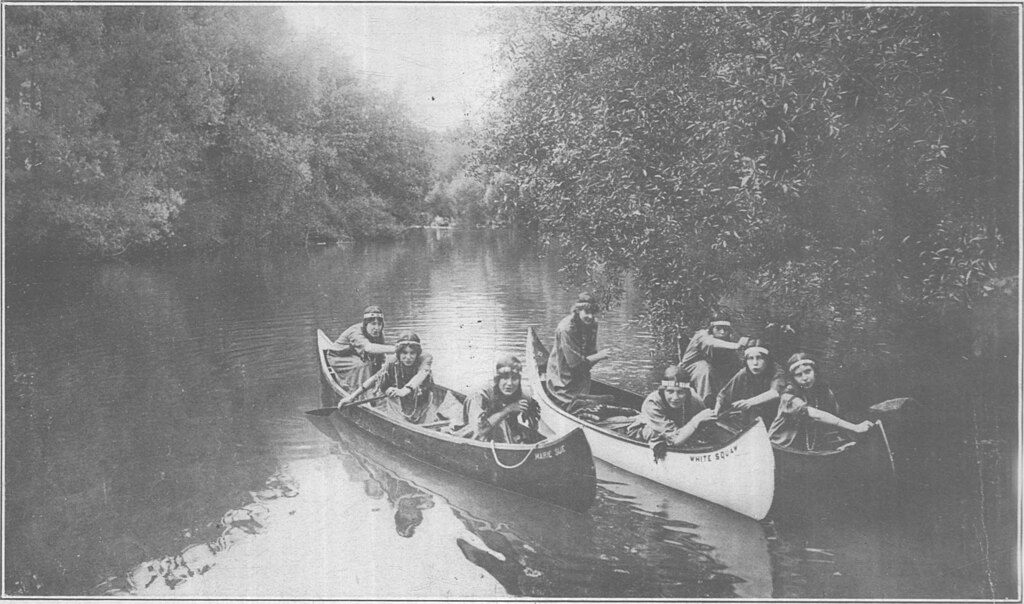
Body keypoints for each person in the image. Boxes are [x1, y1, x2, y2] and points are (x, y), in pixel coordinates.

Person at [768, 352, 874, 450]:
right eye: (799, 375)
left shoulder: (824, 392)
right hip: (782, 446)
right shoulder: (788, 397)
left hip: (811, 444)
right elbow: (815, 415)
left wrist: (846, 441)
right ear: (793, 378)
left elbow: (836, 416)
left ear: (815, 372)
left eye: (808, 371)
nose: (804, 378)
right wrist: (855, 427)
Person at [340, 332, 435, 424]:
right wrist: (352, 397)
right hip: (401, 393)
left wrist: (404, 391)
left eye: (412, 353)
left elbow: (422, 373)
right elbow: (375, 378)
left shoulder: (426, 358)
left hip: (422, 395)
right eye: (404, 353)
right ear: (398, 353)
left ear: (417, 353)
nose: (408, 357)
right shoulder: (392, 361)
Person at [546, 292, 613, 409]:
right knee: (571, 402)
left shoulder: (592, 323)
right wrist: (600, 356)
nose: (590, 317)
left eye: (593, 313)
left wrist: (596, 356)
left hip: (581, 374)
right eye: (587, 312)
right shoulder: (566, 329)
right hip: (562, 378)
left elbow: (590, 354)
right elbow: (575, 365)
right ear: (577, 311)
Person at [624, 365, 717, 446]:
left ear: (687, 392)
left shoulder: (694, 399)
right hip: (651, 430)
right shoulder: (652, 403)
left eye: (680, 392)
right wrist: (695, 421)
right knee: (653, 435)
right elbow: (675, 441)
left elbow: (707, 423)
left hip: (678, 429)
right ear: (663, 390)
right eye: (670, 391)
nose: (675, 397)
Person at [461, 355, 542, 443]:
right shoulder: (479, 395)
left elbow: (534, 423)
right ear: (497, 379)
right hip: (478, 435)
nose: (510, 383)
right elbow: (478, 431)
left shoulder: (521, 395)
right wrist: (508, 409)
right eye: (505, 378)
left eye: (514, 378)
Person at [680, 312, 751, 408]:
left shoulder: (727, 340)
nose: (722, 332)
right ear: (711, 328)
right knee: (705, 368)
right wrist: (736, 345)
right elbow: (711, 343)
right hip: (690, 369)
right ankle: (703, 406)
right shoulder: (702, 335)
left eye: (725, 329)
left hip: (712, 370)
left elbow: (735, 361)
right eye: (718, 328)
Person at [715, 341, 787, 427]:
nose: (755, 363)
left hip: (777, 414)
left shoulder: (776, 371)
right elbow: (723, 395)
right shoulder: (744, 373)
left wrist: (749, 402)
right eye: (750, 358)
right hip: (755, 415)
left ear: (767, 360)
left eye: (759, 358)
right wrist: (715, 414)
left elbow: (775, 393)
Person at [327, 305, 394, 393]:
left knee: (379, 364)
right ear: (365, 324)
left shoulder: (379, 334)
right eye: (373, 324)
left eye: (379, 324)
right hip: (338, 357)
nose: (376, 328)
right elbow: (369, 348)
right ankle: (357, 391)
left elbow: (380, 356)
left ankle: (371, 389)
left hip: (356, 354)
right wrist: (397, 349)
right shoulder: (356, 332)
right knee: (363, 365)